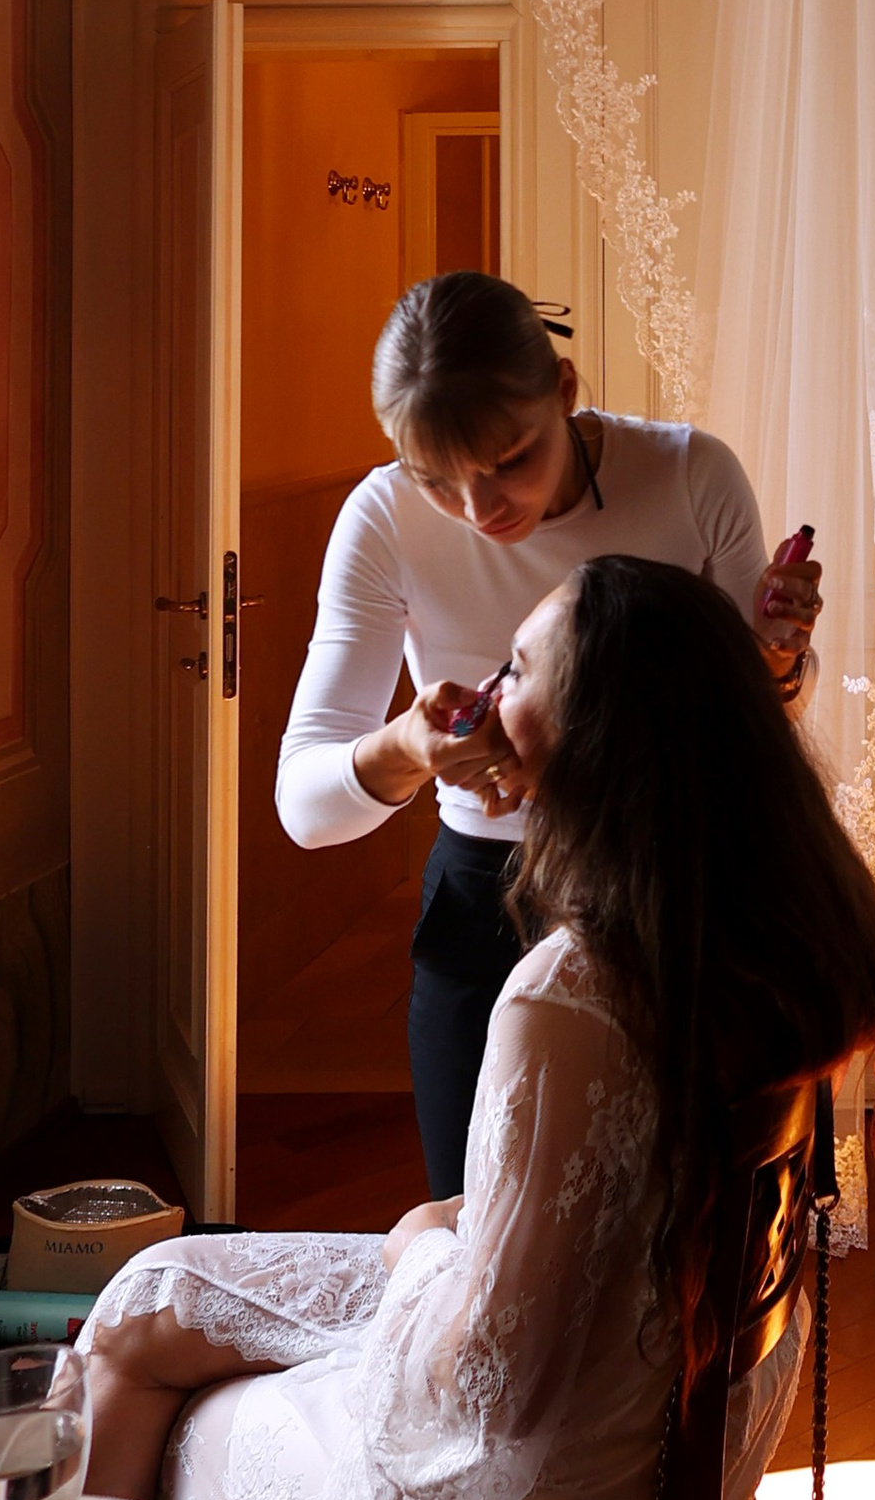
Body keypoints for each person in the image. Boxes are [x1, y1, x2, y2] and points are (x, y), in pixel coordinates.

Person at [82, 558, 875, 1500]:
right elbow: (617, 1208)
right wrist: (452, 1233)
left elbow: (487, 1387)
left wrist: (420, 1246)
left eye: (517, 671)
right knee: (154, 1286)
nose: (486, 690)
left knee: (164, 1391)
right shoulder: (771, 935)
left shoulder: (571, 995)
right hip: (674, 1433)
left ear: (598, 741)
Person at [277, 271, 824, 1202]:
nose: (477, 507)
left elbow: (750, 733)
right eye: (434, 478)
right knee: (474, 1231)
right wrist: (410, 747)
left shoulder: (692, 477)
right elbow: (305, 808)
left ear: (565, 391)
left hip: (676, 895)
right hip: (484, 901)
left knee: (684, 1229)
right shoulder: (380, 520)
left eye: (508, 458)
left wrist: (774, 659)